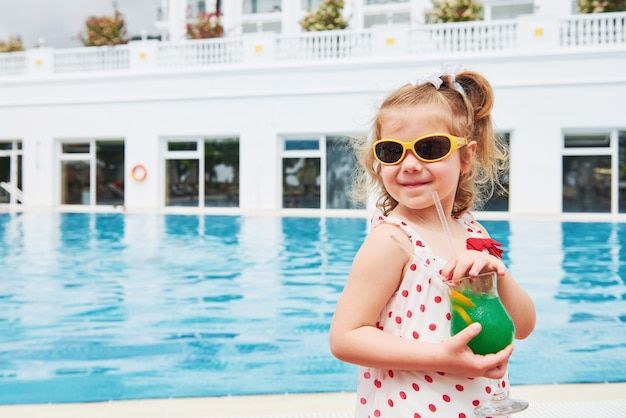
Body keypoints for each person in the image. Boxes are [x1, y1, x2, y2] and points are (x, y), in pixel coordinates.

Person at [329, 65, 536, 417]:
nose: (409, 164)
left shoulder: (472, 231)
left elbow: (524, 326)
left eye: (430, 147)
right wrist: (442, 358)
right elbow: (345, 337)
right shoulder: (393, 240)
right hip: (414, 407)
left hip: (474, 406)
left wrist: (499, 275)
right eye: (392, 151)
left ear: (466, 157)